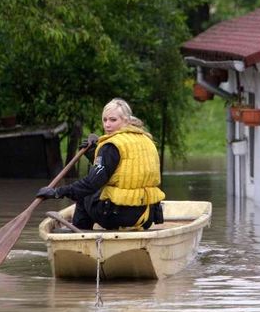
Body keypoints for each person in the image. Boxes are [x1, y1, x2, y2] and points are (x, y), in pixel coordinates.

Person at [35, 98, 164, 230]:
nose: (107, 125)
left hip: (120, 215)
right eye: (105, 120)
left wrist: (57, 192)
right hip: (147, 215)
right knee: (90, 191)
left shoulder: (111, 145)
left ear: (126, 121)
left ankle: (80, 235)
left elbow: (91, 183)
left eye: (113, 120)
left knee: (84, 194)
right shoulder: (147, 140)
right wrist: (94, 153)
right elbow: (122, 171)